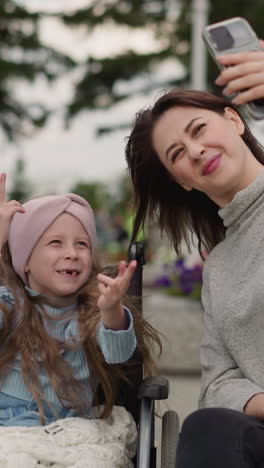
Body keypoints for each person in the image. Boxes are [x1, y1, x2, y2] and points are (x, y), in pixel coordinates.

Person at [125, 45, 264, 467]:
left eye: (198, 129)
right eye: (177, 154)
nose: (196, 150)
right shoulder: (220, 267)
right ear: (181, 181)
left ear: (234, 119)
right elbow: (217, 384)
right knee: (209, 427)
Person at [0, 173, 161, 428]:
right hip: (9, 425)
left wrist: (111, 311)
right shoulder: (11, 304)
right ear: (25, 260)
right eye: (56, 242)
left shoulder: (90, 309)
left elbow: (119, 354)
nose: (72, 253)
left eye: (82, 244)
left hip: (71, 429)